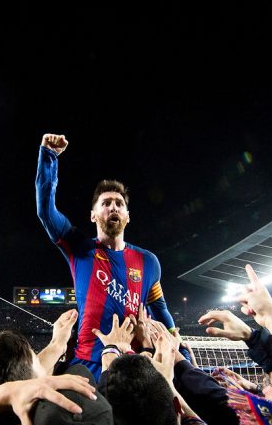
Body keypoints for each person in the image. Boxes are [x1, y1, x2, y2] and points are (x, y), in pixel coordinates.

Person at [36, 133, 174, 378]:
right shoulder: (79, 248)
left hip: (133, 366)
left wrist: (176, 340)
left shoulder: (149, 262)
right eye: (106, 202)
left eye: (119, 203)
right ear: (93, 215)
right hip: (86, 365)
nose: (113, 207)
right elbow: (46, 212)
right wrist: (49, 158)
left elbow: (160, 308)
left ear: (127, 216)